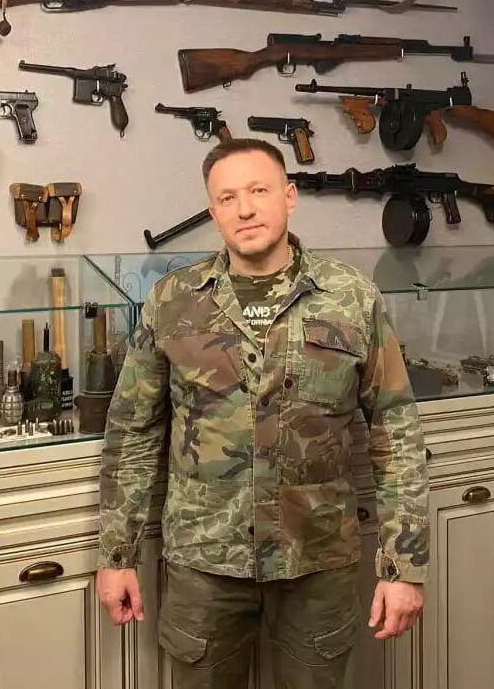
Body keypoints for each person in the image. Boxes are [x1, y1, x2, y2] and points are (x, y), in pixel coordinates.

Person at [97, 138, 429, 689]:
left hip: (317, 561)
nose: (245, 209)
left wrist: (404, 565)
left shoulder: (351, 298)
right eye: (227, 198)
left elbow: (396, 430)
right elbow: (133, 433)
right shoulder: (173, 301)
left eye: (259, 191)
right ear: (213, 212)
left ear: (289, 196)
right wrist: (117, 555)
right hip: (205, 563)